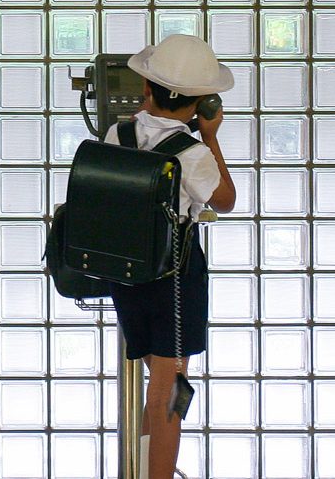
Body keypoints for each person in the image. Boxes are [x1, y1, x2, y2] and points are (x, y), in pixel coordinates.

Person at [101, 35, 237, 478]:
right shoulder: (192, 153)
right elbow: (225, 198)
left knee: (155, 385)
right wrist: (210, 136)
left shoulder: (115, 134)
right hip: (174, 279)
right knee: (168, 391)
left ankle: (144, 470)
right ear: (201, 102)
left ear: (146, 89)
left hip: (127, 274)